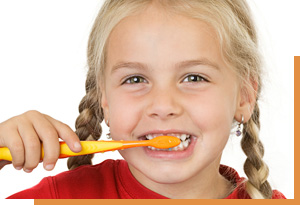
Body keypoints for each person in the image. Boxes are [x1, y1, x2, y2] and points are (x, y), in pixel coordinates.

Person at [0, 0, 286, 199]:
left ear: (245, 96)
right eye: (135, 80)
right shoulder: (59, 197)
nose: (163, 106)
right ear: (105, 102)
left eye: (194, 78)